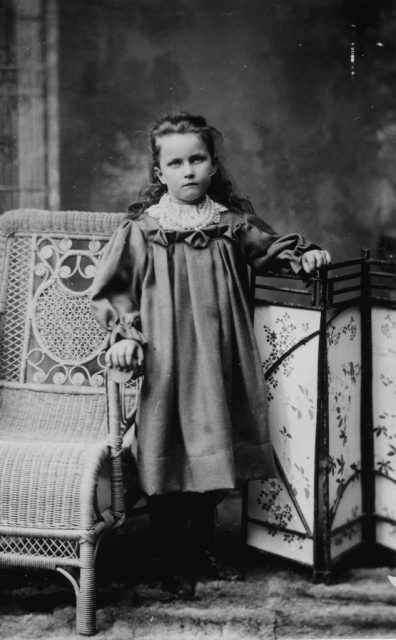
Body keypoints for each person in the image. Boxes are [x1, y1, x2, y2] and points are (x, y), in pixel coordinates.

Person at [90, 113, 331, 597]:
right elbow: (115, 289)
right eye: (175, 163)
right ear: (160, 173)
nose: (188, 171)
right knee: (169, 456)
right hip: (169, 361)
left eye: (197, 159)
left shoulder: (231, 224)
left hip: (222, 358)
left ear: (212, 164)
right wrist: (125, 335)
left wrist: (304, 257)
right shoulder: (143, 230)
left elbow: (272, 250)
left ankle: (201, 548)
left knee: (216, 458)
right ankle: (169, 558)